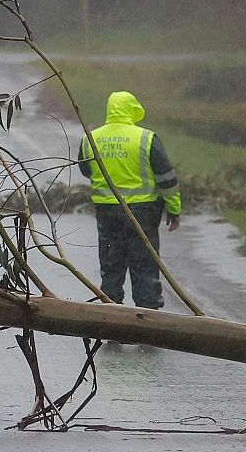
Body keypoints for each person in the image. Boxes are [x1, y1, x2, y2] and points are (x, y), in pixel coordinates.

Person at [77, 91, 181, 309]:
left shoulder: (91, 138)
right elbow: (167, 179)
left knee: (111, 265)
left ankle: (111, 313)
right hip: (142, 212)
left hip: (107, 213)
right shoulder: (146, 138)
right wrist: (174, 210)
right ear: (133, 109)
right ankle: (146, 317)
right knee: (144, 264)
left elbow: (86, 170)